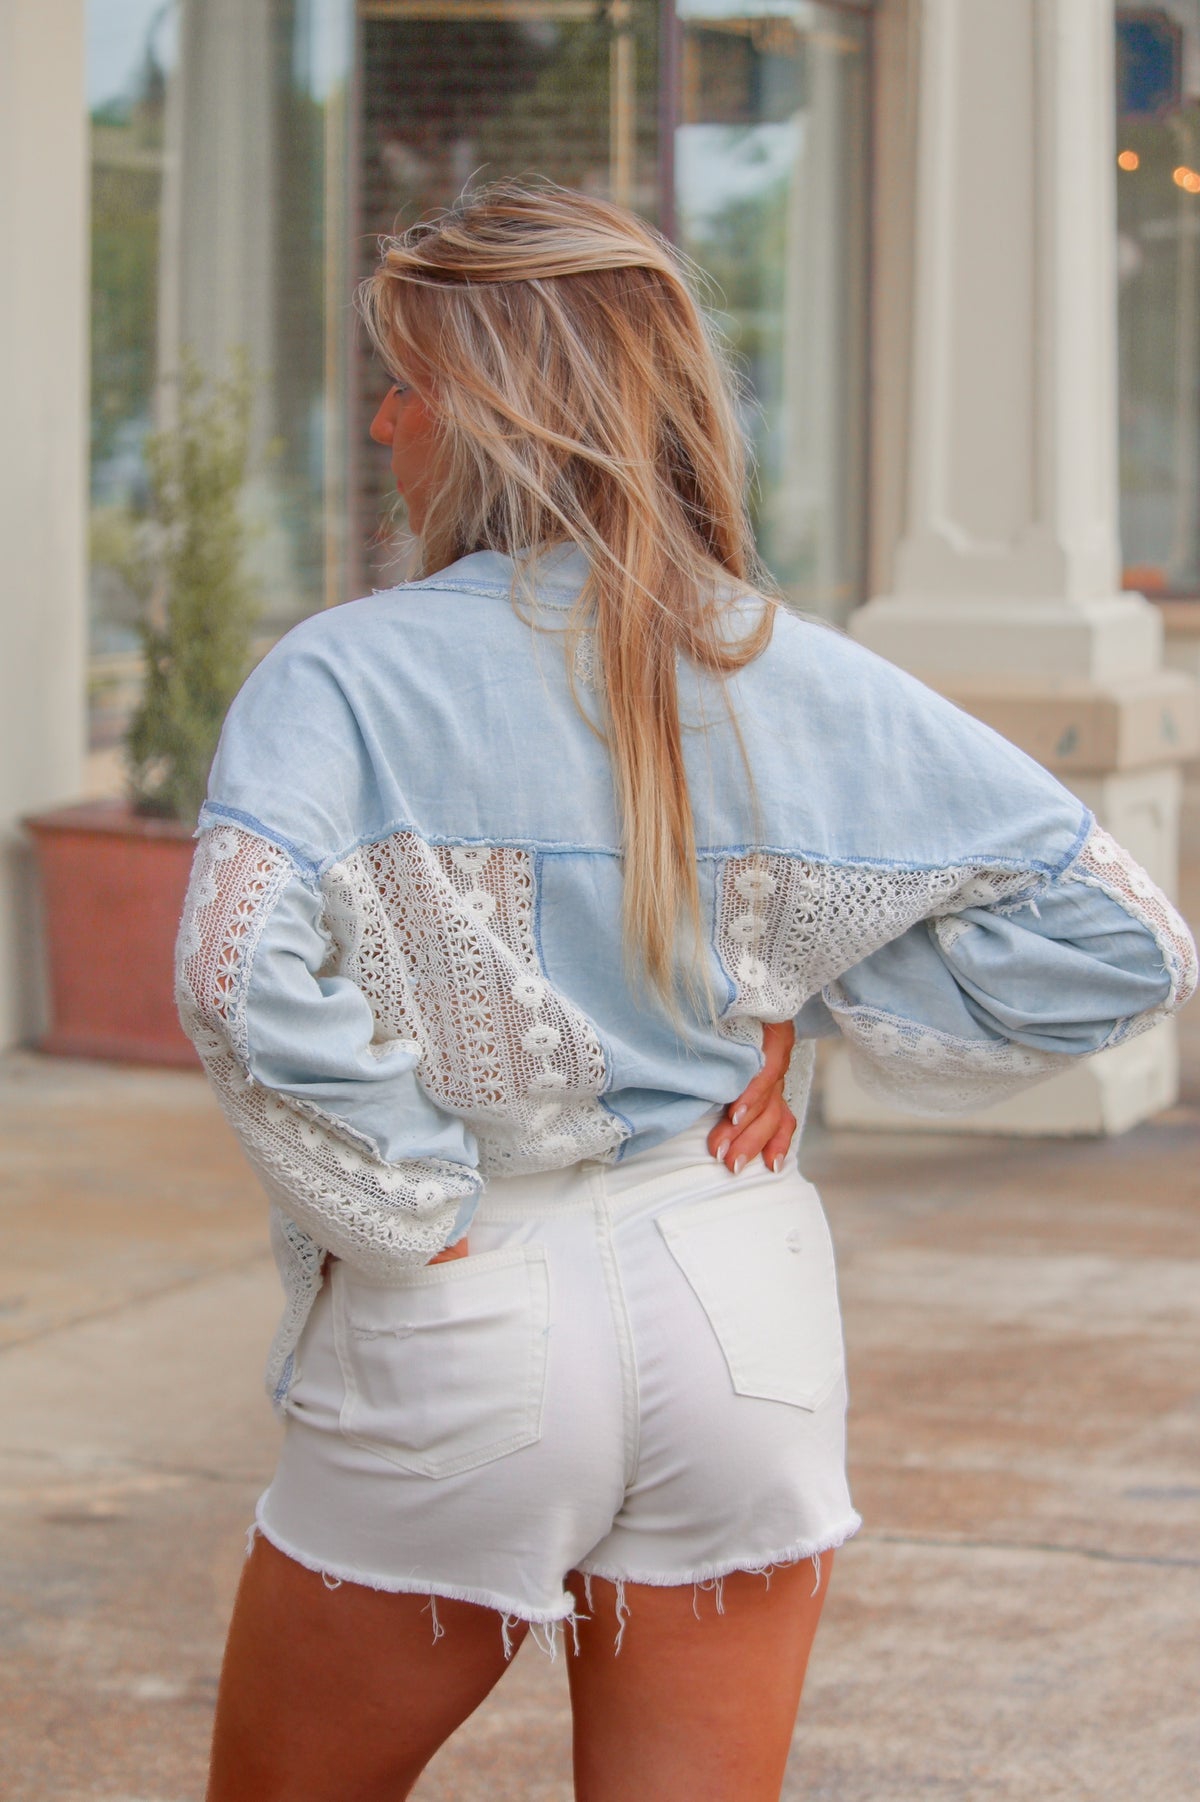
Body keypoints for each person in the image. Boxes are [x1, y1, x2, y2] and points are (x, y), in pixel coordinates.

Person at [177, 182, 1196, 1802]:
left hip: (471, 1302)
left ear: (503, 414)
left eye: (408, 383)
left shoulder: (342, 676)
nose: (381, 420)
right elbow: (1125, 935)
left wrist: (407, 1187)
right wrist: (804, 995)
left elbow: (235, 969)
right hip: (740, 1289)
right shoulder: (787, 667)